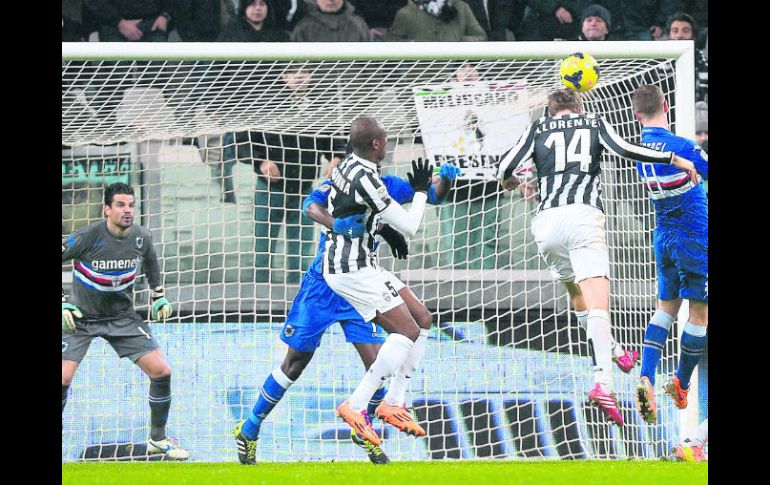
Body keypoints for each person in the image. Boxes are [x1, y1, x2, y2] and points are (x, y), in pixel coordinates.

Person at [232, 154, 460, 465]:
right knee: (294, 365)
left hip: (361, 285)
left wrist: (445, 179)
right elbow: (310, 207)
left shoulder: (387, 184)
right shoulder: (338, 183)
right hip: (323, 286)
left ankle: (363, 429)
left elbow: (432, 195)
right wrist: (338, 225)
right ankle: (250, 428)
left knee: (378, 363)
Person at [497, 89, 697, 427]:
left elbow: (504, 167)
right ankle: (603, 383)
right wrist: (673, 159)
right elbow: (625, 149)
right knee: (598, 304)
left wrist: (516, 184)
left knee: (578, 297)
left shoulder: (537, 129)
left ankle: (617, 352)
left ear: (550, 109)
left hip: (546, 225)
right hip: (582, 218)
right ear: (579, 106)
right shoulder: (593, 122)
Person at [320, 116, 438, 445]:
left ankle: (394, 402)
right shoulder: (365, 178)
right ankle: (356, 405)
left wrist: (383, 231)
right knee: (407, 331)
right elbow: (411, 225)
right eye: (384, 141)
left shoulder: (347, 166)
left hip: (361, 262)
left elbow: (357, 210)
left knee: (422, 318)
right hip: (351, 269)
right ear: (375, 145)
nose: (386, 145)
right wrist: (420, 193)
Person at [61, 183, 188, 460]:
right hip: (81, 319)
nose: (127, 210)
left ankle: (157, 439)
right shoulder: (86, 237)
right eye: (120, 205)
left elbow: (151, 263)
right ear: (107, 209)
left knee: (161, 371)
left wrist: (158, 296)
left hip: (122, 318)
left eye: (130, 205)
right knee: (63, 378)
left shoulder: (142, 237)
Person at [630, 84, 708, 424]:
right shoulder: (683, 148)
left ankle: (646, 375)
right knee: (699, 315)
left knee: (666, 308)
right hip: (695, 236)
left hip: (662, 236)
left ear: (636, 114)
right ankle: (680, 382)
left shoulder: (640, 152)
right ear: (666, 105)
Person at [225, 66, 347, 282]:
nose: (299, 77)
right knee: (263, 251)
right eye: (293, 73)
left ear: (311, 76)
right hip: (269, 191)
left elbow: (333, 142)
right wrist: (260, 161)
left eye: (304, 72)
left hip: (304, 191)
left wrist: (336, 158)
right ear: (284, 77)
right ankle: (260, 301)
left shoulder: (318, 107)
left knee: (300, 254)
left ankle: (298, 301)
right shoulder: (266, 103)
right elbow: (243, 141)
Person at [388, 0, 487, 41]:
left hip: (455, 78)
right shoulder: (406, 13)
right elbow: (393, 45)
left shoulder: (461, 7)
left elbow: (481, 37)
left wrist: (458, 43)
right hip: (419, 79)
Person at [666, 12, 708, 103]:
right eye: (675, 31)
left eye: (685, 31)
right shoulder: (657, 66)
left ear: (694, 35)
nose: (679, 35)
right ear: (669, 36)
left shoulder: (705, 64)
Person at [85, 0, 173, 42]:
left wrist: (165, 15)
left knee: (155, 73)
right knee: (118, 73)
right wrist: (119, 22)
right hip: (112, 25)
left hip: (153, 23)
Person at [290, 0, 373, 42]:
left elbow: (371, 65)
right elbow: (297, 67)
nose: (331, 0)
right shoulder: (303, 28)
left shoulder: (359, 25)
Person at [216, 0, 290, 41]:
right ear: (245, 7)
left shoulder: (278, 35)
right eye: (252, 4)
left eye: (262, 4)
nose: (258, 8)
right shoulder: (230, 35)